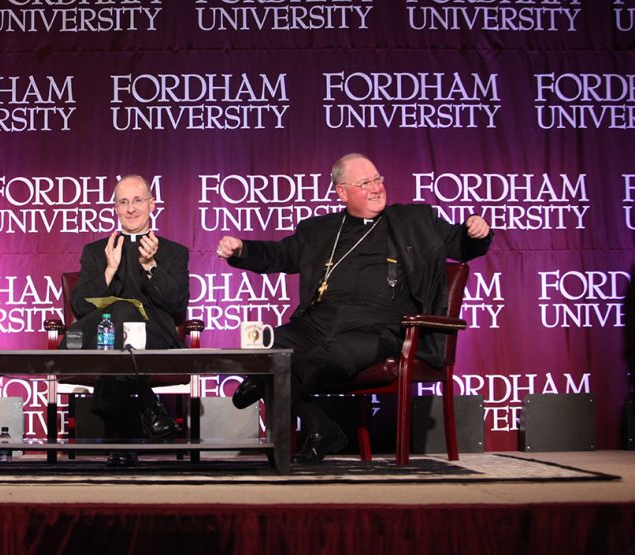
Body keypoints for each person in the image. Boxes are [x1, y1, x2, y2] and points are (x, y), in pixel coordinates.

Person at [216, 153, 493, 464]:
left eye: (378, 179)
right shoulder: (319, 230)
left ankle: (269, 387)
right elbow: (280, 254)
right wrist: (242, 249)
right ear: (342, 192)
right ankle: (320, 428)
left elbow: (462, 244)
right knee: (269, 349)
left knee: (313, 359)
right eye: (365, 183)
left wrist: (476, 231)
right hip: (318, 321)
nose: (376, 188)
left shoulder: (415, 220)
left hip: (378, 326)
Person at [68, 175, 189, 466]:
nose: (131, 208)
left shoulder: (173, 252)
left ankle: (122, 443)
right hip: (102, 338)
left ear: (152, 204)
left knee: (120, 316)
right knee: (117, 318)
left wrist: (152, 269)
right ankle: (151, 408)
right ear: (115, 208)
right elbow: (80, 307)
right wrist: (109, 270)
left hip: (154, 339)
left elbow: (177, 305)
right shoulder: (96, 252)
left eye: (138, 200)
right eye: (123, 202)